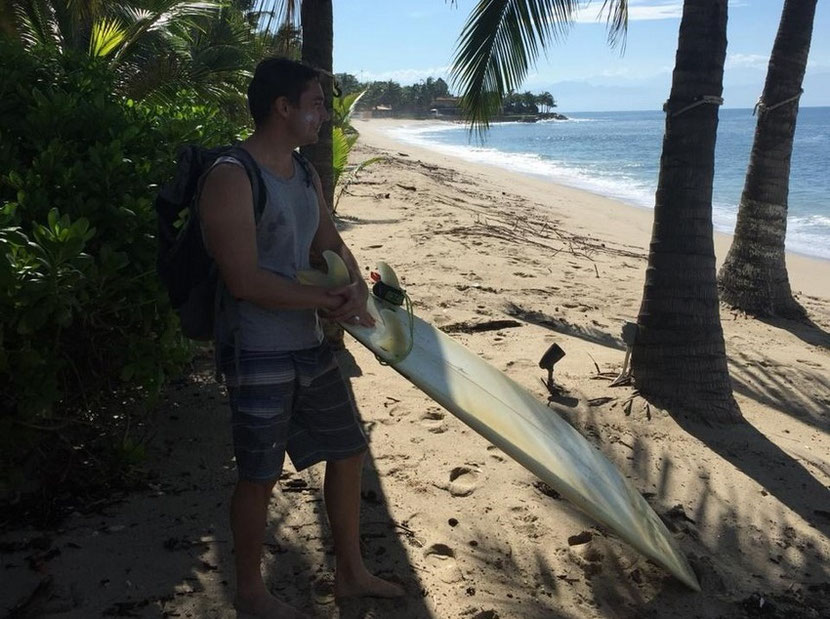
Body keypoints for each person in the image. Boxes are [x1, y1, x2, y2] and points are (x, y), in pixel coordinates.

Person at [198, 57, 404, 618]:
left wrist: (356, 288)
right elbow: (244, 280)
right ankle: (250, 592)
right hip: (257, 348)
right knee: (259, 476)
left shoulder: (305, 172)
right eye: (315, 104)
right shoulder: (231, 176)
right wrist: (324, 301)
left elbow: (328, 244)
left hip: (309, 343)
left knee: (349, 450)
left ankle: (352, 573)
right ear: (282, 107)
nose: (324, 117)